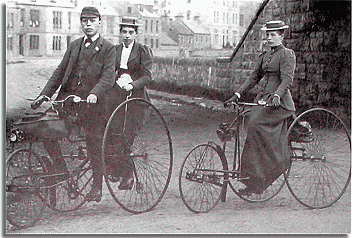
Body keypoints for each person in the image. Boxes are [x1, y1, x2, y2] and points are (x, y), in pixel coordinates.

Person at [31, 6, 116, 202]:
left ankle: (96, 187)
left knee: (93, 141)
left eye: (92, 20)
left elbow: (108, 78)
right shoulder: (74, 45)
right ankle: (61, 169)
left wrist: (94, 93)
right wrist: (44, 95)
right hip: (68, 102)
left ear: (99, 22)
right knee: (45, 128)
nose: (88, 24)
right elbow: (60, 72)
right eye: (85, 21)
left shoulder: (108, 48)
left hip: (93, 105)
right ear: (81, 23)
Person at [224, 20, 296, 195]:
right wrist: (237, 95)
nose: (269, 38)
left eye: (273, 35)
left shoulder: (287, 55)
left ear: (282, 35)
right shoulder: (264, 56)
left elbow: (287, 79)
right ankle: (253, 177)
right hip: (264, 100)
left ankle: (275, 163)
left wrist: (277, 95)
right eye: (267, 35)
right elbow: (253, 78)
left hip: (281, 103)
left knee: (255, 124)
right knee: (249, 121)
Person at [104, 17, 153, 190]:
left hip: (136, 99)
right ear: (120, 33)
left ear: (136, 34)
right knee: (111, 134)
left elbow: (147, 76)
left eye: (130, 32)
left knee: (126, 137)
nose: (127, 35)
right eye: (124, 32)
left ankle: (128, 175)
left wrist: (133, 84)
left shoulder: (142, 51)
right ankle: (116, 170)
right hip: (118, 96)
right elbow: (109, 71)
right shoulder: (115, 50)